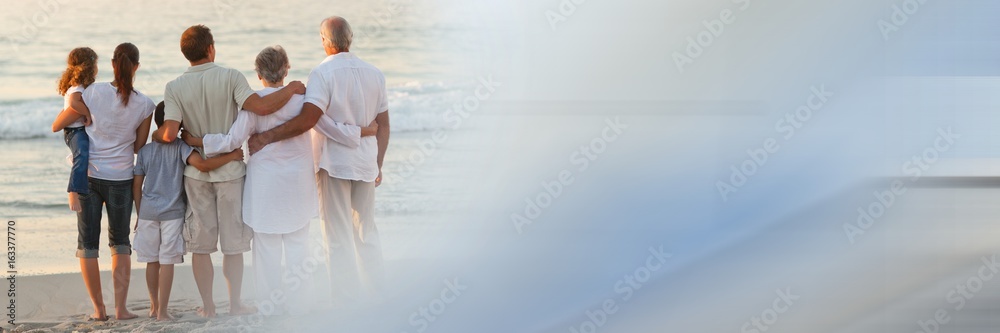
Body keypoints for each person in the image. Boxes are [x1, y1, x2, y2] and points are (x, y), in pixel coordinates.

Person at [185, 45, 376, 315]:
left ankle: (270, 308)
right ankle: (301, 306)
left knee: (266, 251)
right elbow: (330, 129)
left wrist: (196, 140)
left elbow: (230, 141)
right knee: (299, 247)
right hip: (298, 184)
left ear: (259, 73)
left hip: (265, 186)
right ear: (287, 70)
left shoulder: (253, 105)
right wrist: (364, 132)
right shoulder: (303, 100)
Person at [151, 24, 305, 317]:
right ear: (211, 49)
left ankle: (208, 307)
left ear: (185, 53)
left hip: (196, 175)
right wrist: (294, 88)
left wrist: (158, 136)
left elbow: (170, 133)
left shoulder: (173, 87)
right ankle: (235, 304)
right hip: (232, 172)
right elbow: (259, 107)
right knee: (233, 244)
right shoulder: (231, 76)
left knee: (201, 244)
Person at [249, 16, 391, 305]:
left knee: (337, 235)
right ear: (349, 39)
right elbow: (384, 124)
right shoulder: (375, 73)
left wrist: (266, 137)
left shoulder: (322, 74)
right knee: (367, 232)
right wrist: (378, 161)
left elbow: (309, 120)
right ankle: (379, 297)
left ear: (326, 42)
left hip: (334, 164)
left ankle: (345, 300)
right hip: (365, 164)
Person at [58, 42, 154, 321]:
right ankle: (120, 309)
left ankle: (99, 311)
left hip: (88, 175)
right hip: (121, 177)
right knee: (120, 243)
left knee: (87, 244)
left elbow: (70, 121)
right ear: (136, 67)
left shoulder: (92, 91)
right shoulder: (145, 104)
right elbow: (138, 146)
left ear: (112, 64)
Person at [133, 102, 245, 321]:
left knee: (151, 261)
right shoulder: (181, 147)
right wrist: (231, 157)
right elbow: (202, 165)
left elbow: (137, 185)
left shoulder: (145, 151)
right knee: (166, 261)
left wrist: (139, 212)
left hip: (147, 213)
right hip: (172, 213)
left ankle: (154, 308)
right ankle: (163, 313)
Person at [51, 47, 98, 212]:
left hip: (78, 130)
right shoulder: (77, 87)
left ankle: (96, 189)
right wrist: (88, 114)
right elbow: (73, 104)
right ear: (89, 66)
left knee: (92, 155)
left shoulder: (80, 86)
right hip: (74, 131)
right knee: (82, 153)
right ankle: (73, 190)